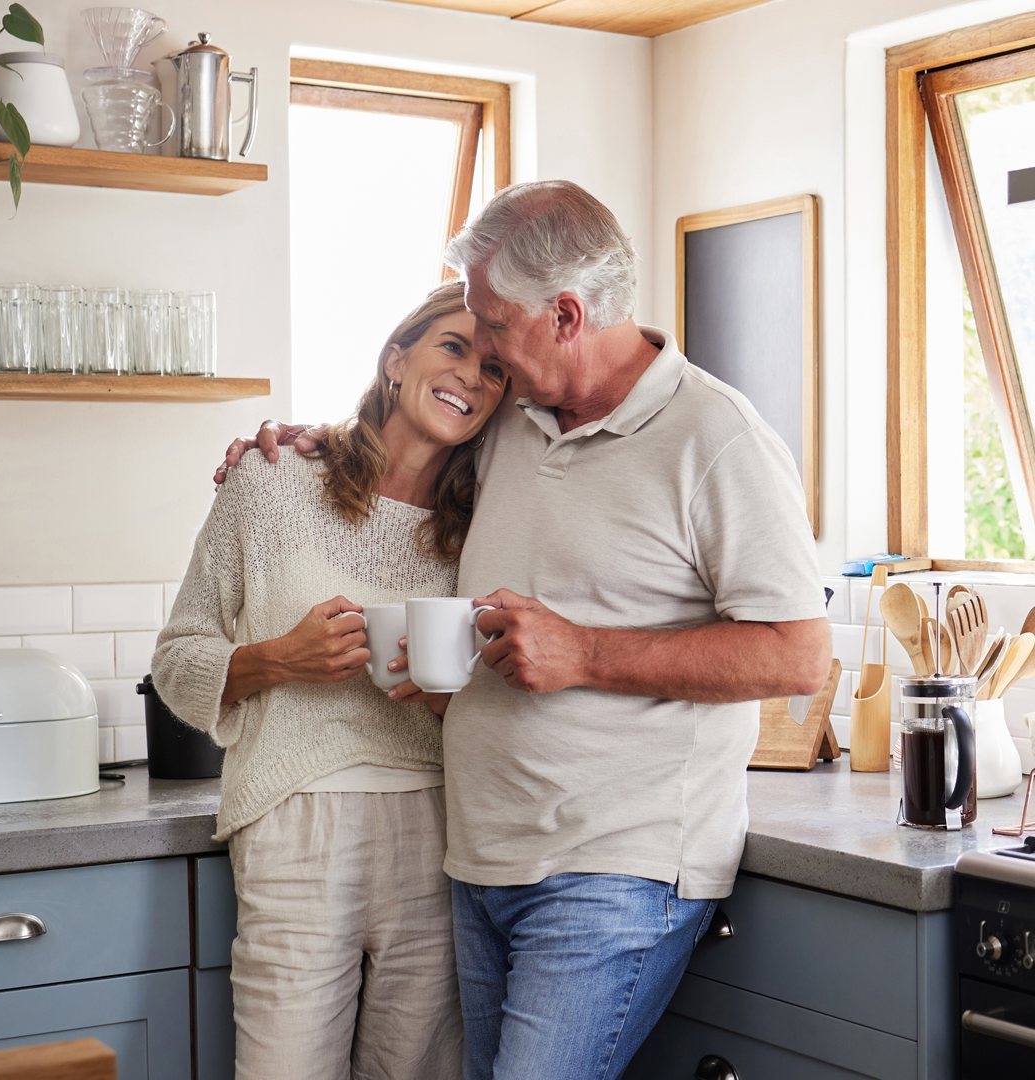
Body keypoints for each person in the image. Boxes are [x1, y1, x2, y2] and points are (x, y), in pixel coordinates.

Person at [222, 180, 832, 1080]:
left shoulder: (717, 438)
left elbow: (799, 654)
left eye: (496, 327)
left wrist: (584, 652)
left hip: (616, 869)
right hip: (482, 859)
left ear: (567, 315)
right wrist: (302, 442)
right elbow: (413, 423)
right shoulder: (516, 419)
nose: (487, 359)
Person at [153, 280, 508, 1080]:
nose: (471, 377)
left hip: (440, 828)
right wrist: (282, 658)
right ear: (395, 360)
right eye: (452, 347)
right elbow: (177, 661)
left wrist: (450, 690)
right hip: (293, 823)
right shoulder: (272, 481)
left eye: (495, 368)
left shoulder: (487, 523)